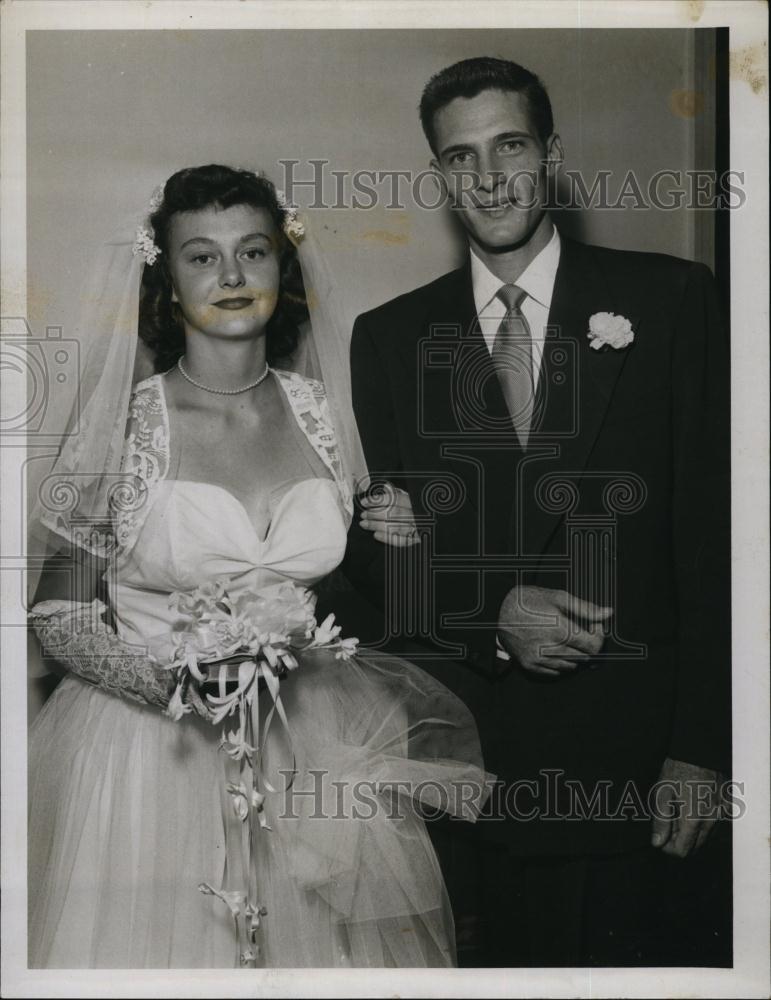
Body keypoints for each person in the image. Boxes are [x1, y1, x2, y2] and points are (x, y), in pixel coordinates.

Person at [27, 164, 492, 969]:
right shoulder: (120, 426)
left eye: (253, 251)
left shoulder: (330, 412)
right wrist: (170, 684)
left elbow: (375, 586)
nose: (233, 276)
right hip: (147, 751)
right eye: (202, 257)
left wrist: (401, 535)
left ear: (284, 263)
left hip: (310, 738)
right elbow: (57, 617)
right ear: (167, 283)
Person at [346, 57, 731, 967]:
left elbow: (719, 540)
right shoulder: (390, 337)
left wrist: (702, 750)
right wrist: (489, 619)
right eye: (459, 157)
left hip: (644, 758)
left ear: (550, 155)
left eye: (508, 145)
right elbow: (391, 555)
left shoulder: (671, 300)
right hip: (488, 765)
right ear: (438, 176)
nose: (486, 177)